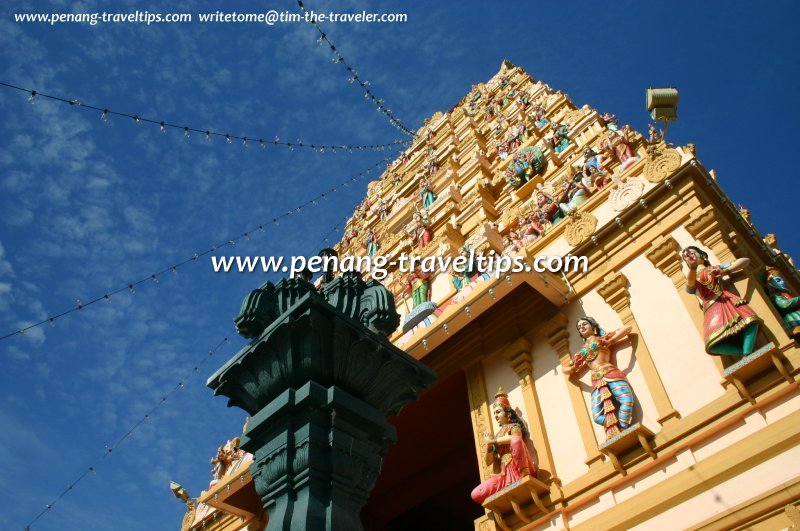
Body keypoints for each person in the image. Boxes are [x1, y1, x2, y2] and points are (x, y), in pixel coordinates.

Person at [682, 246, 762, 356]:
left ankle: (747, 352)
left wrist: (724, 271)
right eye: (686, 256)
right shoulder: (692, 276)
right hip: (712, 308)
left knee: (751, 321)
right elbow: (690, 284)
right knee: (713, 345)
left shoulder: (714, 268)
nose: (690, 256)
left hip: (727, 300)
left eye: (692, 253)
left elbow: (745, 261)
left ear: (702, 255)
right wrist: (692, 268)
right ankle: (743, 353)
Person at [563, 317, 634, 440]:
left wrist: (611, 341)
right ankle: (615, 428)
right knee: (597, 416)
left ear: (593, 327)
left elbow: (627, 328)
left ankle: (622, 428)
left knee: (626, 400)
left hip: (610, 372)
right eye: (579, 327)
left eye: (584, 324)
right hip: (596, 380)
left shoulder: (603, 338)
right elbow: (565, 369)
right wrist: (575, 366)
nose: (582, 327)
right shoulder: (582, 352)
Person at [470, 388, 537, 504]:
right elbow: (488, 461)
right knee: (476, 493)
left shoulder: (514, 427)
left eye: (498, 411)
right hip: (504, 475)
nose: (496, 415)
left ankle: (522, 476)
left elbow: (516, 439)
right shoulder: (497, 435)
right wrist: (490, 445)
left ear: (508, 413)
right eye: (494, 413)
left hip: (518, 467)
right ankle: (508, 485)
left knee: (516, 440)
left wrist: (494, 440)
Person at [764, 267, 800, 338]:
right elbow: (784, 304)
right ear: (771, 283)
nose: (782, 282)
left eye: (782, 280)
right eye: (778, 280)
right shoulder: (775, 296)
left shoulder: (785, 294)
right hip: (792, 319)